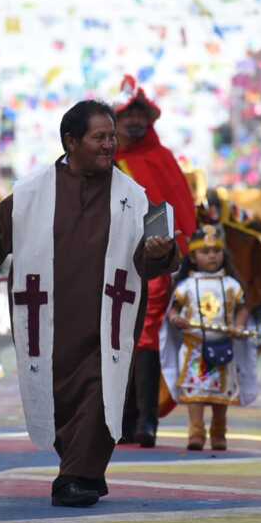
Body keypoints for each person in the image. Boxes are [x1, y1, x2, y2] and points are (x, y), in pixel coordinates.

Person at [0, 100, 180, 507]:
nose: (110, 145)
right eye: (99, 137)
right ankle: (83, 469)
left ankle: (76, 476)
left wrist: (160, 251)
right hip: (48, 322)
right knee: (58, 397)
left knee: (101, 390)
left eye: (111, 137)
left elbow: (150, 256)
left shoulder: (132, 196)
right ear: (71, 142)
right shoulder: (32, 193)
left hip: (107, 320)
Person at [113, 75, 197, 449]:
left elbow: (177, 209)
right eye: (127, 116)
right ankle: (121, 418)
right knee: (114, 337)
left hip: (152, 261)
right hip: (110, 262)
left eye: (140, 116)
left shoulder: (161, 159)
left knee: (146, 337)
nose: (134, 123)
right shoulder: (103, 161)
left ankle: (146, 420)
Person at [162, 225, 253, 451]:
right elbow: (173, 309)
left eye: (216, 251)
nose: (212, 256)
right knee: (196, 394)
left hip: (224, 347)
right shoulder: (186, 286)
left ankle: (219, 433)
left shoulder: (232, 285)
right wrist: (175, 319)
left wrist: (239, 326)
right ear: (193, 257)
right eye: (205, 252)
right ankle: (196, 433)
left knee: (221, 395)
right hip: (195, 349)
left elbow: (243, 308)